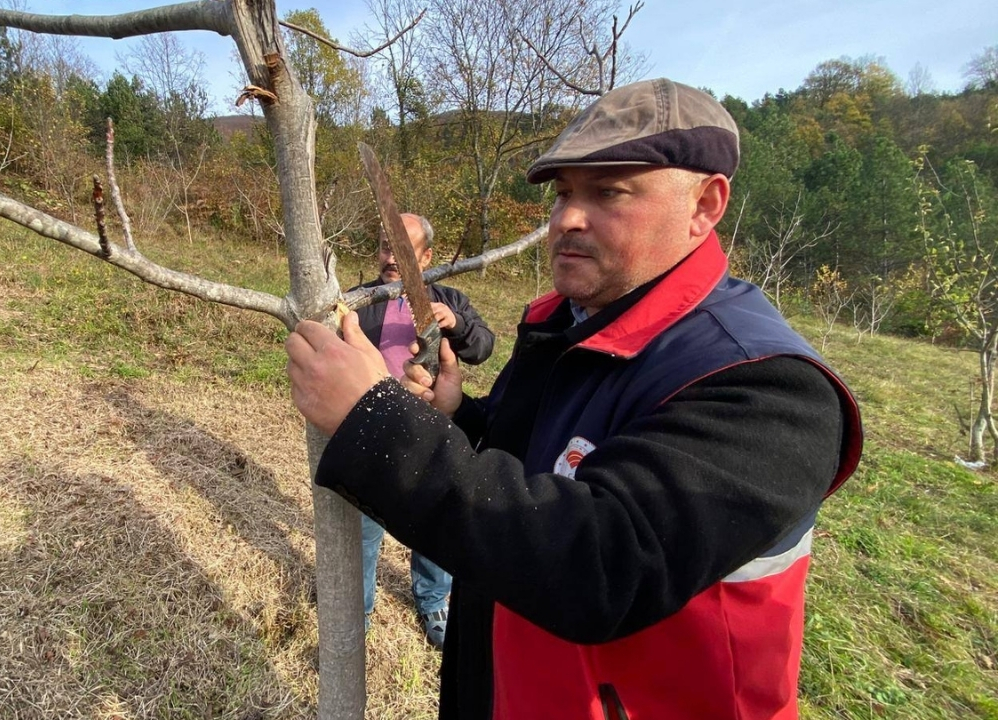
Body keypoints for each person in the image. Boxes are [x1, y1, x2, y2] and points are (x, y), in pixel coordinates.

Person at [287, 78, 863, 719]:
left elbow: (601, 563)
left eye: (608, 191)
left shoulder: (766, 386)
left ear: (705, 204)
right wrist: (462, 418)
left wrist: (374, 421)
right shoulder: (578, 323)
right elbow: (542, 469)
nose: (565, 218)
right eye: (562, 193)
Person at [351, 212, 495, 650]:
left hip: (433, 432)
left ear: (427, 257)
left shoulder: (447, 299)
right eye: (385, 246)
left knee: (435, 524)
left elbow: (484, 347)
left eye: (404, 250)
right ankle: (357, 612)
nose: (391, 258)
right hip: (373, 432)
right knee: (363, 530)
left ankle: (433, 602)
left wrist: (458, 324)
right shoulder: (361, 299)